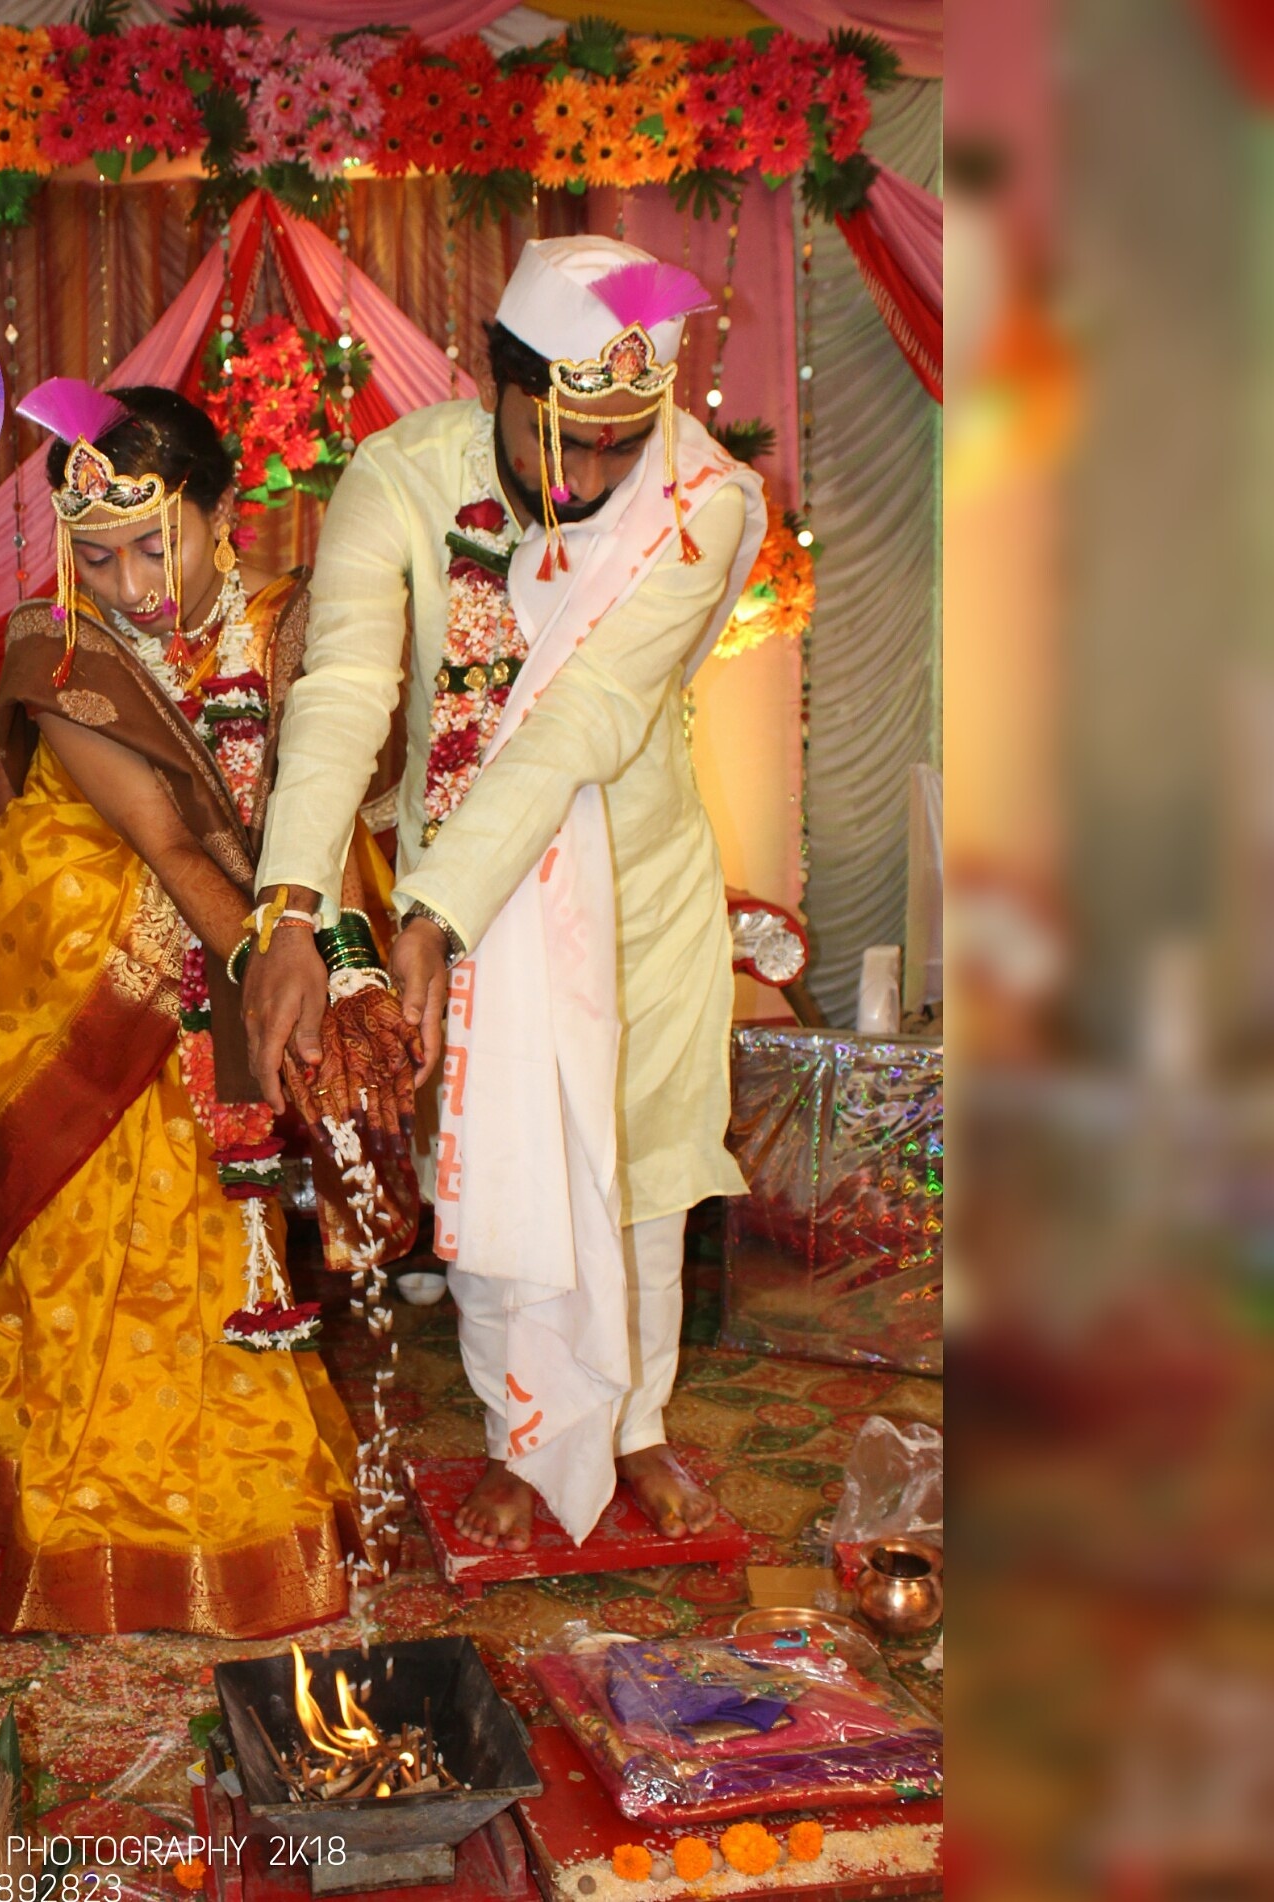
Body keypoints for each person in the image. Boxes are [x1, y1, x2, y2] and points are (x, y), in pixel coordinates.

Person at [245, 237, 768, 1554]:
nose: (590, 477)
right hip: (464, 893)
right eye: (566, 439)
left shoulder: (696, 499)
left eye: (620, 443)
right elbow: (343, 692)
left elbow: (583, 716)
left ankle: (634, 1426)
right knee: (492, 1165)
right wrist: (292, 908)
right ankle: (518, 1437)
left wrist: (433, 915)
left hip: (634, 889)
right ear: (501, 385)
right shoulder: (401, 478)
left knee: (644, 1164)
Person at [0, 381, 388, 1637]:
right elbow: (160, 841)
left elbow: (338, 803)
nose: (132, 584)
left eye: (156, 545)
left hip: (244, 951)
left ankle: (241, 1505)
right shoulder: (61, 647)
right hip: (98, 975)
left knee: (223, 1245)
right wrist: (278, 970)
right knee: (103, 1249)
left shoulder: (292, 629)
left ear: (222, 511)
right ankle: (85, 1520)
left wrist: (334, 962)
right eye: (98, 556)